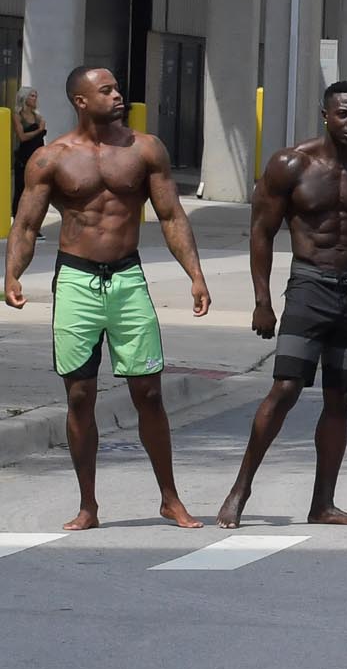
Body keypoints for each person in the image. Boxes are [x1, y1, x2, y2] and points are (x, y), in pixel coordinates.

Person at [3, 64, 213, 531]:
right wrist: (12, 274)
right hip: (75, 280)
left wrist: (195, 275)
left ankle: (170, 499)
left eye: (117, 87)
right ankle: (88, 506)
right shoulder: (51, 158)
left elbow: (172, 216)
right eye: (106, 90)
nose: (118, 95)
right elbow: (27, 224)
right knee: (80, 395)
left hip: (127, 278)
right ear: (81, 101)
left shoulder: (145, 149)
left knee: (149, 392)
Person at [216, 80, 347, 527]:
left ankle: (323, 502)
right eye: (344, 113)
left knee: (342, 398)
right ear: (325, 115)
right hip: (308, 285)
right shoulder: (291, 164)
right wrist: (262, 301)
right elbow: (261, 232)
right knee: (285, 388)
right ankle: (241, 488)